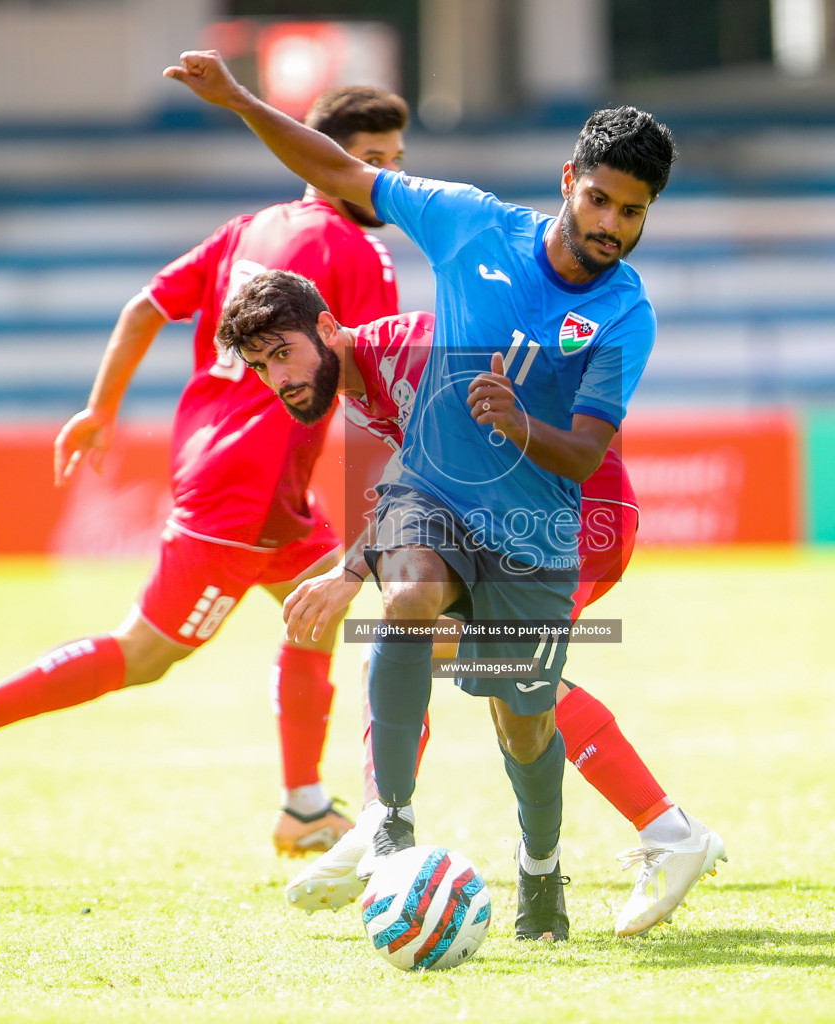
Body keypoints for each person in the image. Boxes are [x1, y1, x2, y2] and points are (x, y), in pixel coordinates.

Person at [166, 50, 685, 942]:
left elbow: (582, 450)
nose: (608, 223)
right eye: (598, 199)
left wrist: (513, 433)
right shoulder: (468, 229)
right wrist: (240, 99)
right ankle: (388, 821)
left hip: (574, 515)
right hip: (467, 510)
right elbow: (339, 169)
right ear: (569, 181)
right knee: (418, 617)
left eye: (629, 212)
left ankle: (623, 842)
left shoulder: (622, 313)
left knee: (513, 697)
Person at [0, 87, 409, 858]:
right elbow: (371, 369)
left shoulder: (248, 229)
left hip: (238, 472)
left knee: (317, 609)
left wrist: (99, 409)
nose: (387, 179)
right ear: (322, 160)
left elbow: (143, 307)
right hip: (246, 488)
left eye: (396, 161)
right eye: (371, 162)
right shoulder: (359, 253)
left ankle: (303, 808)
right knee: (145, 654)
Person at [219, 268, 726, 937]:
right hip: (505, 523)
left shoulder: (415, 351)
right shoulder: (358, 387)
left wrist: (348, 569)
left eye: (282, 353)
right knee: (463, 659)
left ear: (328, 330)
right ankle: (424, 835)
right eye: (259, 366)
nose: (276, 377)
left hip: (572, 521)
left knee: (488, 668)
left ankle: (666, 829)